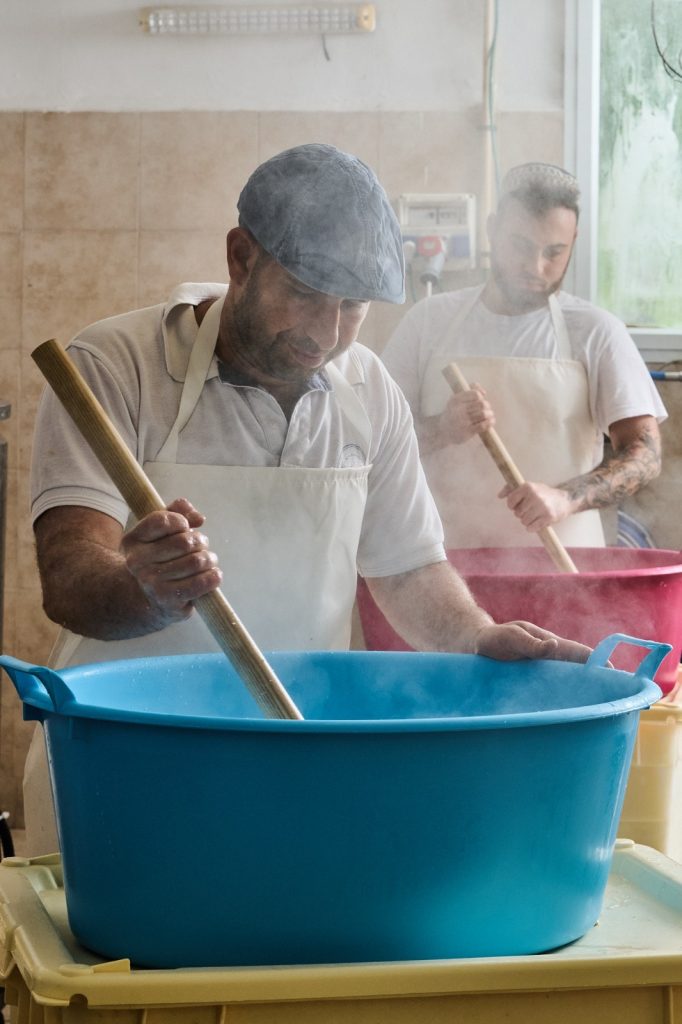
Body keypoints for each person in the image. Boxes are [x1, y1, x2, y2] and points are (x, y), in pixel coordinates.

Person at [27, 144, 590, 854]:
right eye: (305, 293)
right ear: (241, 257)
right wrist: (143, 589)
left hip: (289, 760)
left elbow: (408, 569)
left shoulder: (368, 389)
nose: (325, 334)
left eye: (352, 306)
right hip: (121, 767)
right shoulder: (115, 366)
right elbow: (69, 578)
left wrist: (477, 637)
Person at [381, 162, 666, 549]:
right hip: (444, 561)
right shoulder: (427, 322)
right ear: (492, 229)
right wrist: (443, 429)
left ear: (574, 241)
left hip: (565, 563)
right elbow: (373, 442)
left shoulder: (596, 331)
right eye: (521, 246)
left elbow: (645, 455)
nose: (536, 267)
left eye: (554, 252)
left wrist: (565, 498)